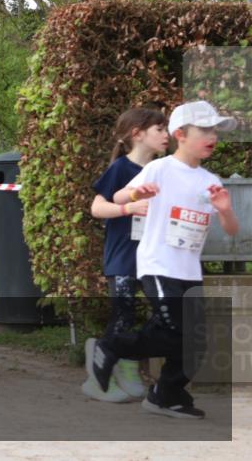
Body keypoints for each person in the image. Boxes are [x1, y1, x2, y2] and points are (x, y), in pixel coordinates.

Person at [87, 101, 240, 419]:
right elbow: (114, 197)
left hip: (189, 271)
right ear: (181, 134)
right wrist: (134, 197)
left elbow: (231, 231)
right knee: (175, 332)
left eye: (216, 131)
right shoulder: (159, 168)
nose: (213, 136)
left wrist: (225, 209)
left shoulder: (209, 180)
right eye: (206, 130)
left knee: (195, 341)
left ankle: (166, 394)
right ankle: (113, 347)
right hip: (158, 265)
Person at [83, 108, 168, 402]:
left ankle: (124, 363)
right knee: (125, 314)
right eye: (160, 129)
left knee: (163, 316)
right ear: (137, 134)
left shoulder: (164, 170)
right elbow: (97, 208)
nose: (167, 135)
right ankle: (98, 377)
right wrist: (127, 208)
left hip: (156, 258)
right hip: (124, 257)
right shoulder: (120, 169)